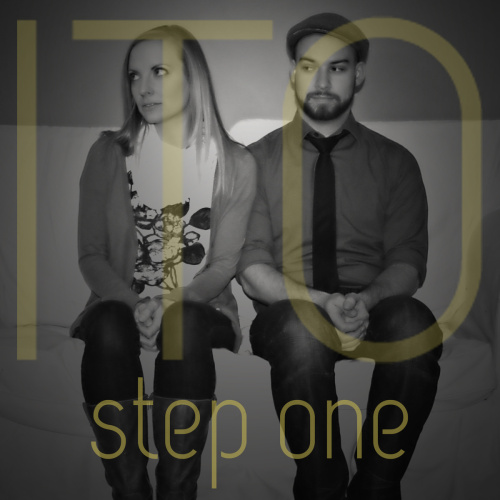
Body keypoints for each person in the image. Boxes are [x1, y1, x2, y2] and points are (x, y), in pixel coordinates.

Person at [238, 13, 443, 500]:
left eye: (338, 66)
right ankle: (322, 488)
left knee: (416, 324)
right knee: (300, 330)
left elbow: (409, 261)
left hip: (372, 306)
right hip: (290, 310)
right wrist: (320, 302)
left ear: (359, 74)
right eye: (309, 66)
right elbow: (250, 269)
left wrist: (364, 301)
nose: (323, 80)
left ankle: (376, 486)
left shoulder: (396, 162)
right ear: (294, 74)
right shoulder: (254, 161)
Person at [71, 25, 256, 500]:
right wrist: (136, 304)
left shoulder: (235, 163)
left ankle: (177, 492)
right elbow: (91, 254)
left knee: (184, 321)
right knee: (107, 323)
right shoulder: (108, 153)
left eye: (159, 71)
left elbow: (223, 266)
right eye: (134, 76)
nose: (144, 87)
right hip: (120, 305)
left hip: (202, 310)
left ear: (193, 78)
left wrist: (171, 303)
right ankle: (130, 491)